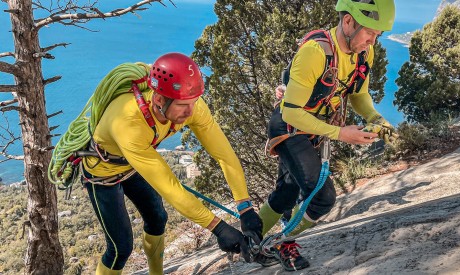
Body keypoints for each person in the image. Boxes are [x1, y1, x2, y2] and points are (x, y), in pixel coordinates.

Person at [78, 53, 262, 274]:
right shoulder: (129, 121)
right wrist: (219, 228)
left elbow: (224, 156)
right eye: (184, 106)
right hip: (102, 175)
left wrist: (245, 207)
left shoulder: (187, 102)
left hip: (131, 166)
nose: (191, 112)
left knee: (158, 219)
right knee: (120, 248)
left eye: (194, 103)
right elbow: (171, 188)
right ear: (158, 100)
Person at [258, 0, 397, 271]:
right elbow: (290, 113)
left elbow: (359, 95)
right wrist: (339, 134)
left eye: (377, 36)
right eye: (370, 33)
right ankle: (281, 243)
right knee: (322, 197)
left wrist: (377, 119)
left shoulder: (363, 54)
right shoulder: (315, 52)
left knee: (287, 193)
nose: (372, 41)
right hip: (289, 126)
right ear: (348, 22)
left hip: (313, 128)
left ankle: (250, 239)